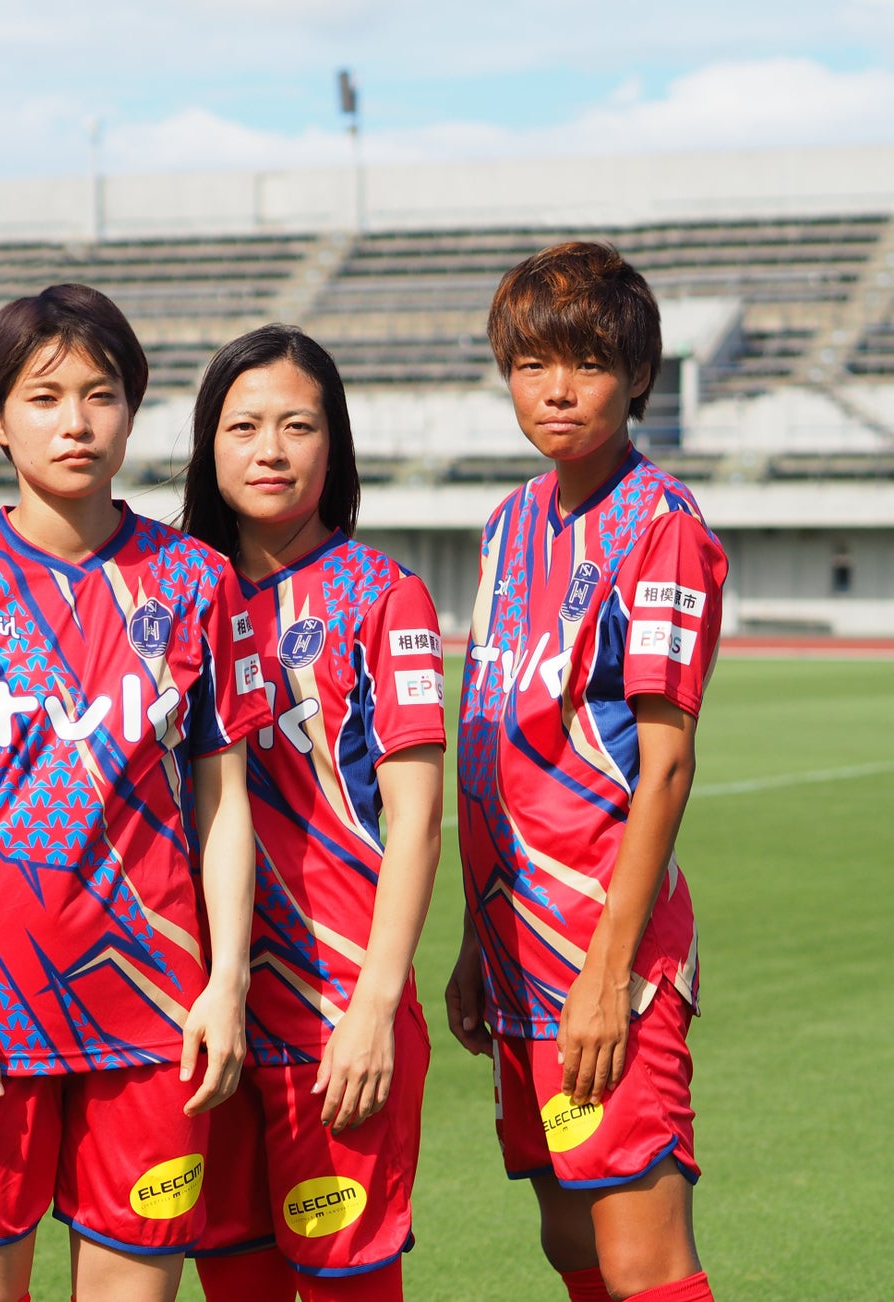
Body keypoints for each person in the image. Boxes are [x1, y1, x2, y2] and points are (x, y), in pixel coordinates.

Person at [0, 283, 272, 1302]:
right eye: (44, 398)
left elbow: (224, 803)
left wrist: (225, 983)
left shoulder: (196, 582)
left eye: (101, 394)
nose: (76, 422)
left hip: (153, 1021)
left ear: (133, 409)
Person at [446, 242, 728, 1302]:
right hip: (516, 953)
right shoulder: (507, 524)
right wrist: (474, 941)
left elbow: (667, 765)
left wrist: (609, 978)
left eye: (589, 363)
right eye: (532, 365)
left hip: (608, 957)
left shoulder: (662, 529)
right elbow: (494, 747)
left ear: (638, 375)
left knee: (642, 1261)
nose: (557, 390)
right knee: (570, 1237)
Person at [179, 326, 446, 1302]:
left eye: (298, 425)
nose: (271, 450)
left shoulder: (385, 598)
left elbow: (418, 822)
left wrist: (376, 1006)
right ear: (209, 446)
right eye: (243, 426)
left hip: (335, 1010)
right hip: (199, 1012)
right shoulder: (172, 598)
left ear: (335, 445)